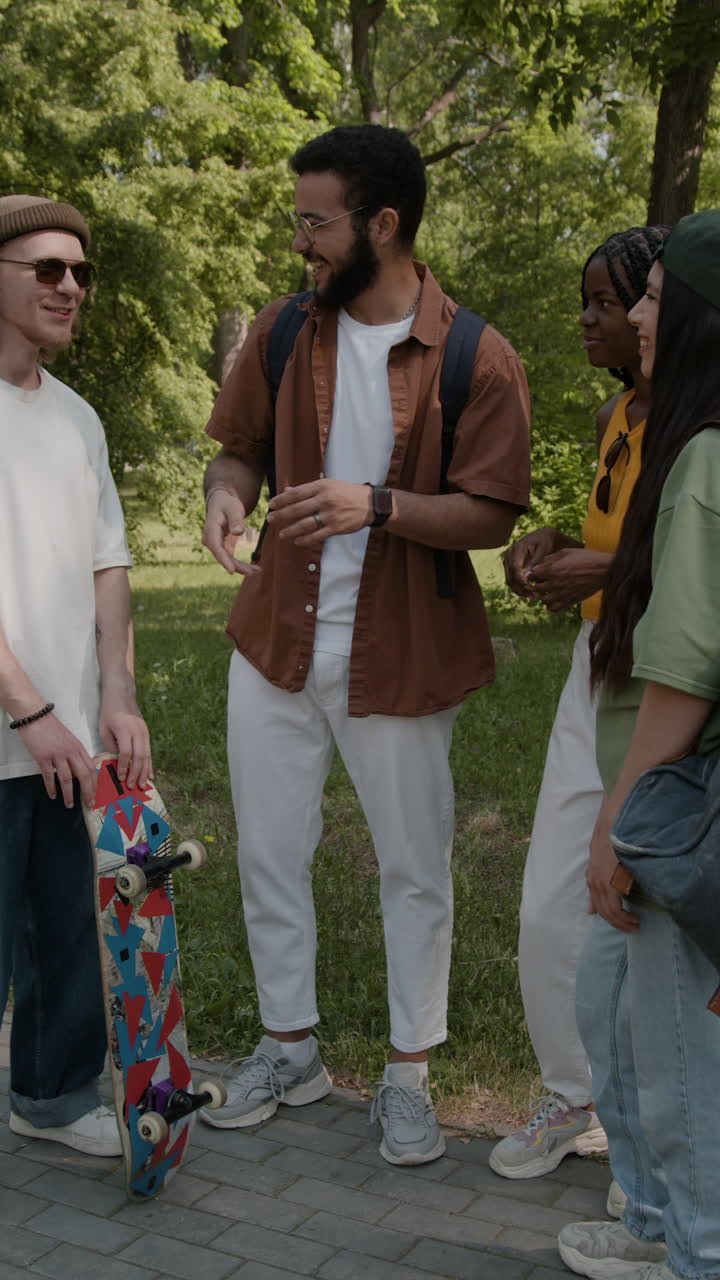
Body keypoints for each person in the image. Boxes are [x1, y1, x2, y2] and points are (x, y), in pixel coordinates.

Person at [200, 123, 531, 1165]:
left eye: (315, 222)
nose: (299, 241)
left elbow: (489, 513)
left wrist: (374, 504)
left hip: (399, 653)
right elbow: (239, 447)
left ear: (380, 225)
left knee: (413, 866)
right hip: (274, 644)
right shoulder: (285, 329)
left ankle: (406, 1074)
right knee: (267, 849)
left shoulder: (478, 355)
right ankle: (288, 1046)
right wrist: (224, 500)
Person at [557, 209, 720, 1280]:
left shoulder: (706, 452)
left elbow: (687, 671)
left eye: (657, 296)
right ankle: (662, 1222)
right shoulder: (677, 435)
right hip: (669, 795)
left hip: (677, 808)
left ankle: (697, 1246)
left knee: (677, 1065)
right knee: (611, 1010)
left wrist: (617, 823)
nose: (635, 311)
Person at [493, 226, 668, 1183]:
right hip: (594, 664)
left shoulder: (700, 417)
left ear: (661, 307)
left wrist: (596, 567)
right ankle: (574, 1098)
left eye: (610, 300)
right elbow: (623, 531)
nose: (592, 319)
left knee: (639, 904)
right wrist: (555, 545)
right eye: (589, 300)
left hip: (667, 681)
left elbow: (684, 558)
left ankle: (653, 1127)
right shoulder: (617, 417)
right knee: (552, 897)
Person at [0, 194, 151, 1156]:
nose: (69, 286)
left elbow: (110, 565)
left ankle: (52, 1098)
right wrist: (29, 710)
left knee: (65, 936)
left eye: (80, 273)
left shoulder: (79, 418)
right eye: (46, 269)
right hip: (26, 722)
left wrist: (117, 697)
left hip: (65, 735)